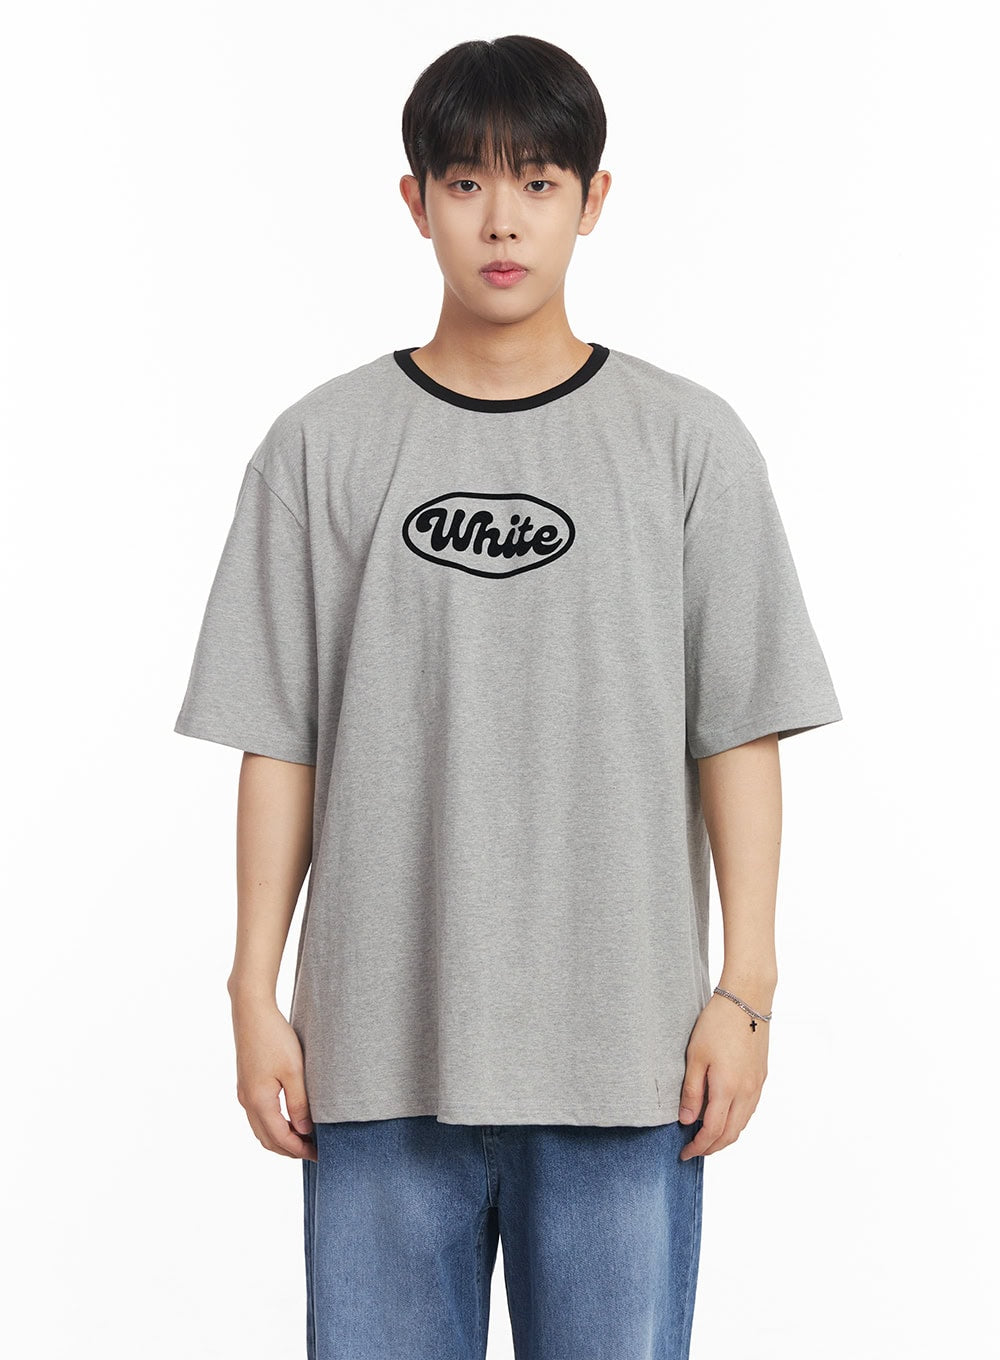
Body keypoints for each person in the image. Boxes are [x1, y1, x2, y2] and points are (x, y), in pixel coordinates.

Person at [173, 33, 843, 1360]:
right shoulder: (321, 448)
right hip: (376, 1055)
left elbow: (739, 728)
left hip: (626, 1058)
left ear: (593, 201)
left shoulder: (687, 444)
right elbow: (279, 740)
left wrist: (747, 988)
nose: (501, 220)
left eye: (537, 182)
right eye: (467, 182)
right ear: (414, 200)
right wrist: (253, 990)